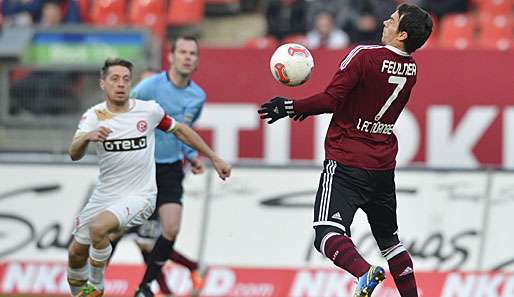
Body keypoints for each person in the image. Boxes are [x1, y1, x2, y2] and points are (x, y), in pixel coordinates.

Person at [258, 4, 432, 297]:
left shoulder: (364, 55)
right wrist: (308, 108)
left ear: (402, 33)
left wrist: (289, 106)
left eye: (393, 20)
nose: (386, 21)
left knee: (326, 233)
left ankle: (364, 273)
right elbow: (351, 100)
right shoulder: (411, 69)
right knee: (390, 242)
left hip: (347, 160)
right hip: (382, 165)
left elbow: (331, 100)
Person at [66, 58, 231, 297]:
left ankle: (97, 286)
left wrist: (213, 157)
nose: (121, 84)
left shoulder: (148, 110)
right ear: (103, 84)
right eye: (115, 79)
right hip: (105, 195)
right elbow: (74, 153)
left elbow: (181, 131)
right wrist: (86, 137)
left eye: (125, 79)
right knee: (75, 253)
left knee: (101, 228)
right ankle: (81, 294)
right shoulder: (93, 116)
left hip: (140, 196)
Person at [109, 66, 206, 297]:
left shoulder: (169, 121)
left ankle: (181, 274)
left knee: (147, 242)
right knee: (141, 241)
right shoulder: (135, 119)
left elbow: (183, 141)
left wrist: (192, 158)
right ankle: (165, 286)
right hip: (135, 183)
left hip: (157, 187)